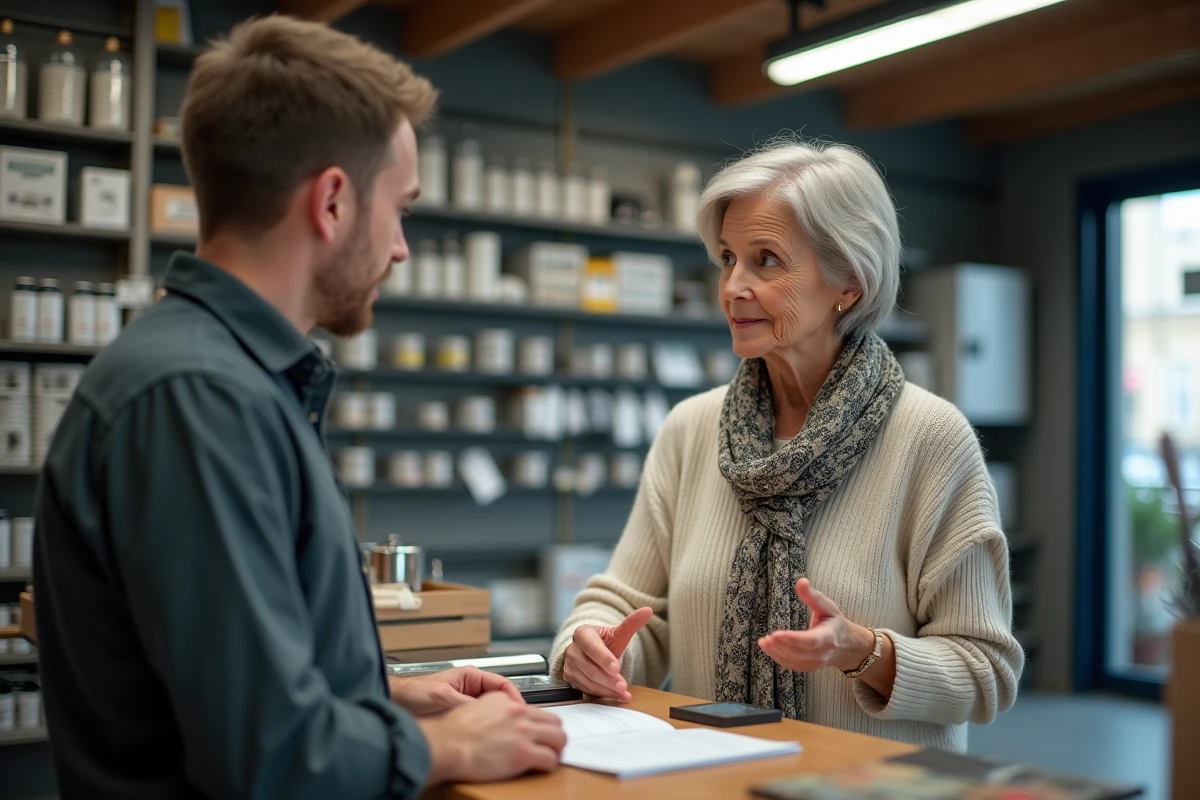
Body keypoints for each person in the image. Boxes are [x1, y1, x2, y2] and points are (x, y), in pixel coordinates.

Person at [33, 15, 564, 799]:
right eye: (402, 210)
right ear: (333, 202)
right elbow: (271, 755)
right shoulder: (199, 399)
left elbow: (230, 677)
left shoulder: (232, 379)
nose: (401, 249)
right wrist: (443, 750)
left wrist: (377, 698)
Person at [551, 140, 1024, 752]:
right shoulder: (690, 431)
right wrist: (589, 643)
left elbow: (986, 670)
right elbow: (625, 603)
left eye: (766, 260)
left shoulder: (931, 440)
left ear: (849, 281)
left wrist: (865, 652)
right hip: (712, 776)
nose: (732, 288)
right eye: (727, 258)